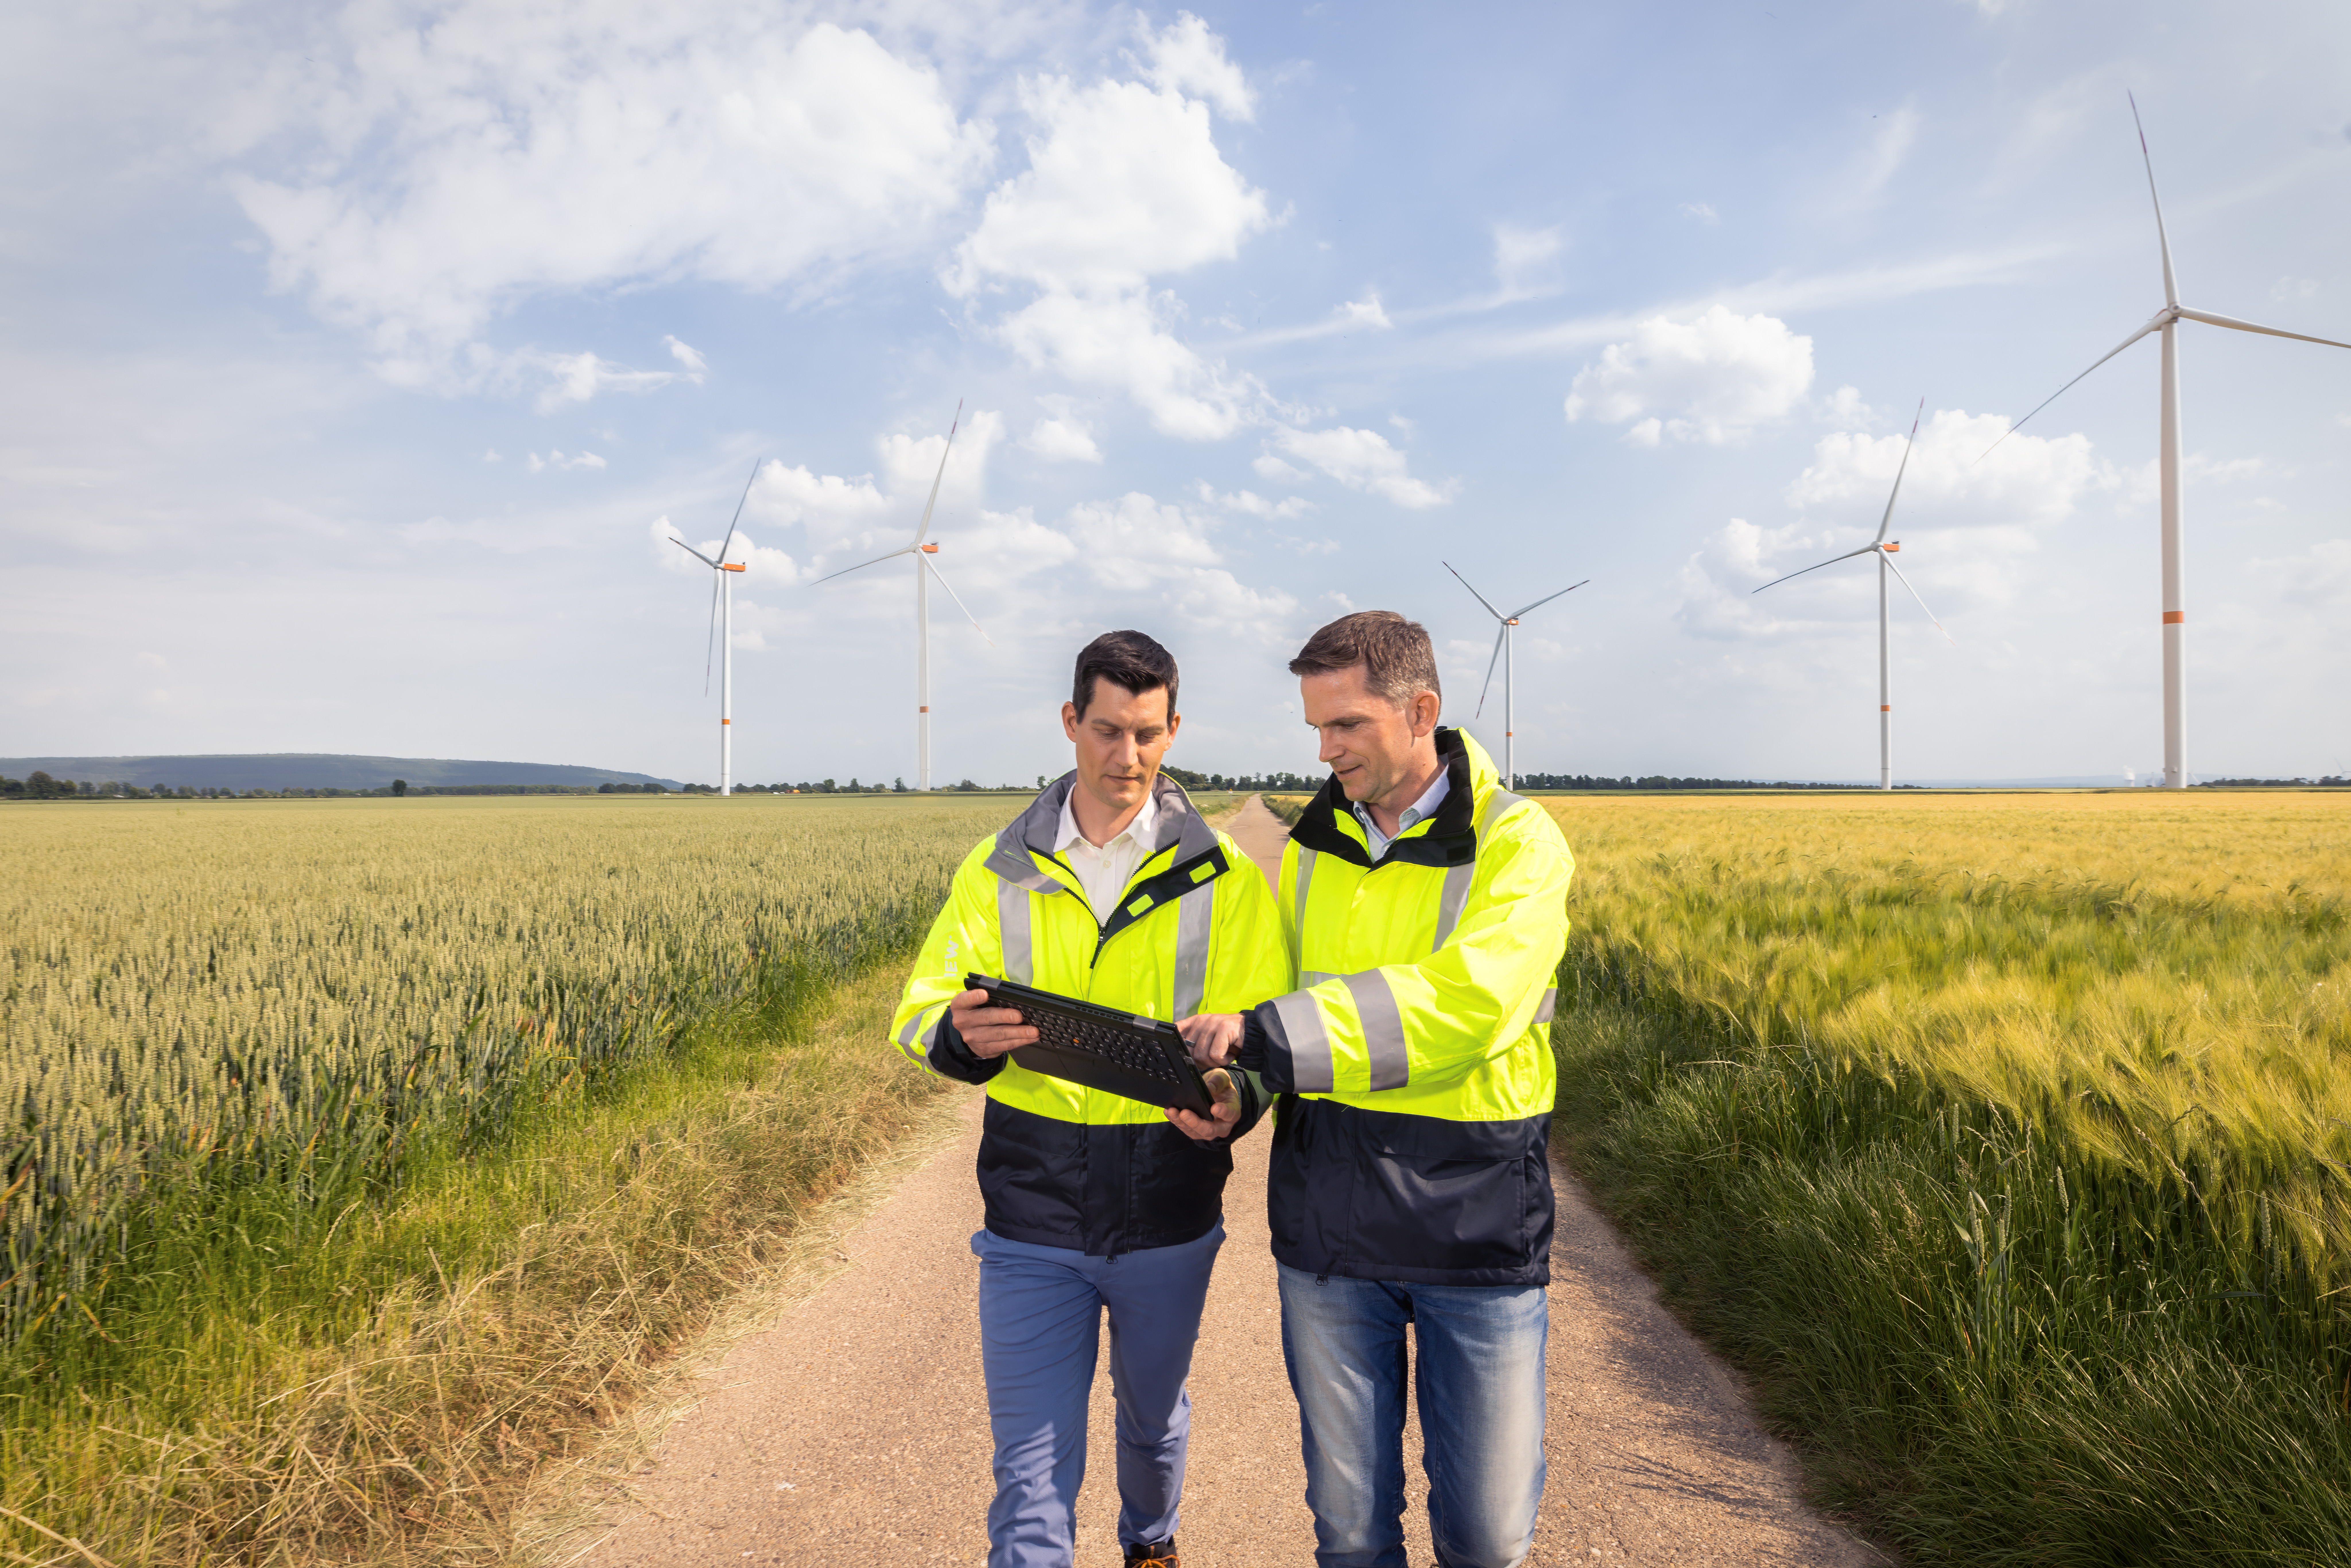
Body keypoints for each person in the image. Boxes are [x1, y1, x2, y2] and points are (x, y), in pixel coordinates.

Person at [1171, 610, 1573, 1568]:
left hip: (1475, 1220)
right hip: (1331, 1219)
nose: (1325, 748)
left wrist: (1269, 1033)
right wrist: (1241, 1090)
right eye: (1316, 727)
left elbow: (1469, 1005)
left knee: (1487, 1536)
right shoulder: (1309, 851)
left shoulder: (1518, 843)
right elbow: (1278, 1011)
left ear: (1420, 709)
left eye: (1345, 724)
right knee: (1350, 1533)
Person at [891, 629, 1290, 1568]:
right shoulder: (997, 867)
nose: (1130, 757)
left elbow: (1264, 1036)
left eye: (1149, 734)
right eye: (1108, 731)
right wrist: (957, 1037)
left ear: (1174, 727)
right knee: (1030, 1474)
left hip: (1168, 1206)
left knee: (1151, 1424)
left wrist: (1237, 1094)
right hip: (1032, 1209)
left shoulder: (1224, 878)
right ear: (1071, 722)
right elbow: (918, 1009)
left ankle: (1151, 1541)